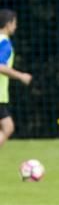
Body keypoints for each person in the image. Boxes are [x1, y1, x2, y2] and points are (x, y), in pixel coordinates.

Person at [0, 9, 32, 149]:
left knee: (8, 126)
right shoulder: (5, 43)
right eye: (14, 23)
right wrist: (21, 76)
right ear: (8, 24)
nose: (16, 26)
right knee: (8, 127)